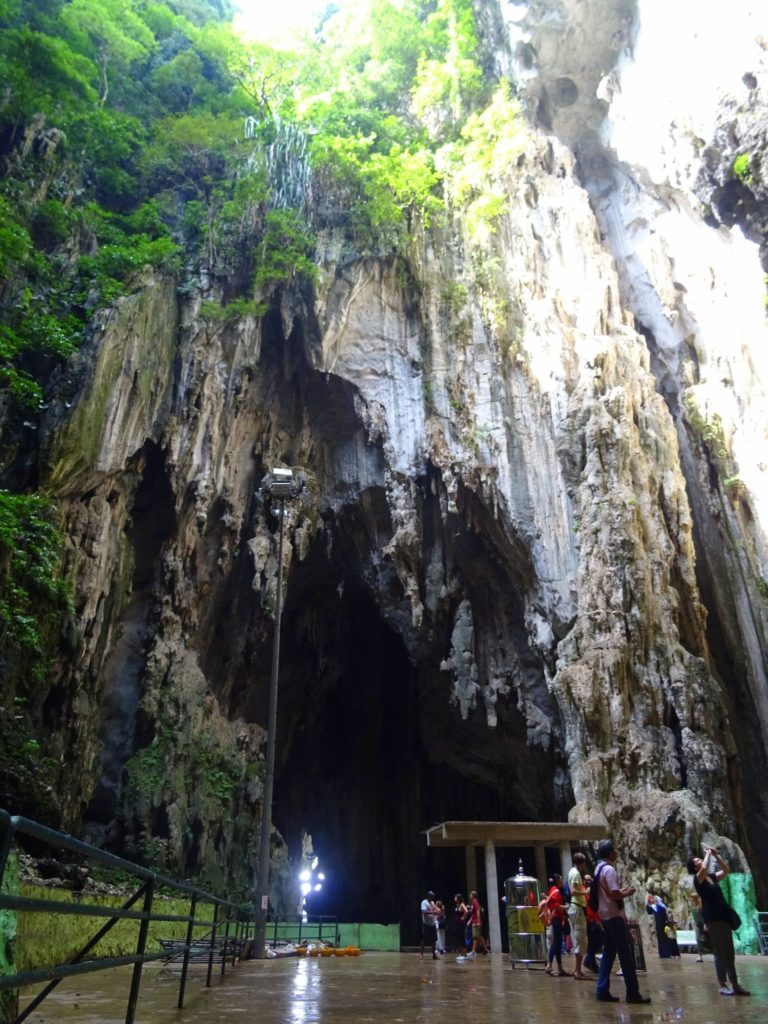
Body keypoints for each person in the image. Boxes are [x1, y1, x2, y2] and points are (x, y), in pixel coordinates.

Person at [593, 838, 651, 1004]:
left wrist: (621, 891)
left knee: (609, 953)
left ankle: (602, 990)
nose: (616, 852)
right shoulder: (609, 870)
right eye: (614, 850)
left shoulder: (598, 868)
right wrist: (628, 893)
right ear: (610, 852)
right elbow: (613, 894)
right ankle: (633, 993)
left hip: (604, 915)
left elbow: (607, 892)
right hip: (613, 915)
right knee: (625, 954)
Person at [687, 847, 750, 996]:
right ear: (694, 867)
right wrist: (708, 853)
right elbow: (704, 867)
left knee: (729, 952)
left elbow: (726, 870)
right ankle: (722, 984)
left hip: (723, 916)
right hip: (713, 918)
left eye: (700, 858)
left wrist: (716, 856)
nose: (700, 860)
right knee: (720, 951)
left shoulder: (711, 877)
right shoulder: (699, 879)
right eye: (697, 860)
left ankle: (735, 985)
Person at [544, 873, 570, 976]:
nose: (562, 881)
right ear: (558, 880)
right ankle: (549, 964)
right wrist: (566, 907)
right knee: (556, 943)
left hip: (557, 919)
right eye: (561, 879)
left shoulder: (553, 890)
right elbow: (556, 906)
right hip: (556, 919)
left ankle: (560, 968)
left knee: (558, 943)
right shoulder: (556, 892)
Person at [567, 852, 589, 979]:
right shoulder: (575, 873)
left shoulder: (571, 871)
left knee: (580, 938)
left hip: (576, 907)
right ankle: (577, 971)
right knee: (581, 939)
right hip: (577, 907)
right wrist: (585, 891)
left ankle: (578, 970)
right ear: (582, 862)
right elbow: (573, 891)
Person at [582, 873, 603, 972]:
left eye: (590, 880)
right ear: (583, 881)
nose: (588, 881)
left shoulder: (593, 891)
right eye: (586, 880)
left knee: (599, 941)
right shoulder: (582, 891)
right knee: (592, 943)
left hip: (596, 919)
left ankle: (588, 960)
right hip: (589, 920)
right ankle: (593, 965)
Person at [646, 893, 673, 957]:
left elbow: (649, 910)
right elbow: (649, 911)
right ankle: (666, 953)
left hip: (661, 925)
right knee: (664, 938)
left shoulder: (658, 907)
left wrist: (648, 902)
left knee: (662, 938)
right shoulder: (662, 906)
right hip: (663, 924)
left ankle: (664, 953)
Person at [466, 889, 487, 958]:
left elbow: (478, 911)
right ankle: (486, 949)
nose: (469, 896)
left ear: (473, 896)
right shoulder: (473, 903)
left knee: (475, 937)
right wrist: (470, 920)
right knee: (479, 936)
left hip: (476, 922)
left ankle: (473, 951)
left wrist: (478, 921)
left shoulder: (475, 902)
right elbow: (473, 914)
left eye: (470, 894)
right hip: (474, 921)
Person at [420, 890, 438, 960]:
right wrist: (434, 912)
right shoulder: (424, 902)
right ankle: (421, 954)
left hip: (432, 924)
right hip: (426, 924)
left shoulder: (432, 903)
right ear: (429, 896)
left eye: (433, 896)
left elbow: (437, 910)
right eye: (432, 896)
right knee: (424, 940)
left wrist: (438, 911)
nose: (433, 897)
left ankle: (434, 955)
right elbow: (424, 912)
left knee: (434, 940)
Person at [690, 892, 707, 962]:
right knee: (697, 939)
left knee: (708, 939)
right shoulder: (692, 905)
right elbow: (693, 915)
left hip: (702, 923)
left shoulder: (701, 905)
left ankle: (715, 953)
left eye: (694, 898)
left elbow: (704, 915)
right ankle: (700, 956)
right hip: (697, 924)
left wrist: (705, 924)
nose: (692, 899)